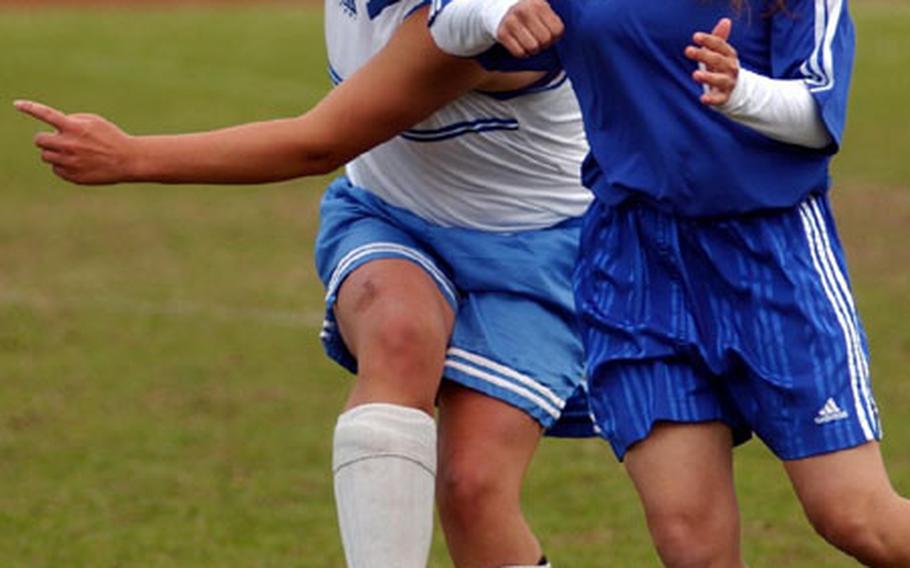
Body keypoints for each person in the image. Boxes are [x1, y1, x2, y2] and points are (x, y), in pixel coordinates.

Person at [16, 1, 595, 566]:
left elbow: (317, 143)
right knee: (397, 332)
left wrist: (131, 157)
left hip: (535, 254)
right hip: (391, 215)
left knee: (474, 491)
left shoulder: (470, 27)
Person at [430, 0, 910, 566]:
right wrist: (494, 14)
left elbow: (818, 113)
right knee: (691, 547)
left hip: (770, 256)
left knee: (855, 517)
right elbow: (446, 22)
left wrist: (741, 91)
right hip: (633, 265)